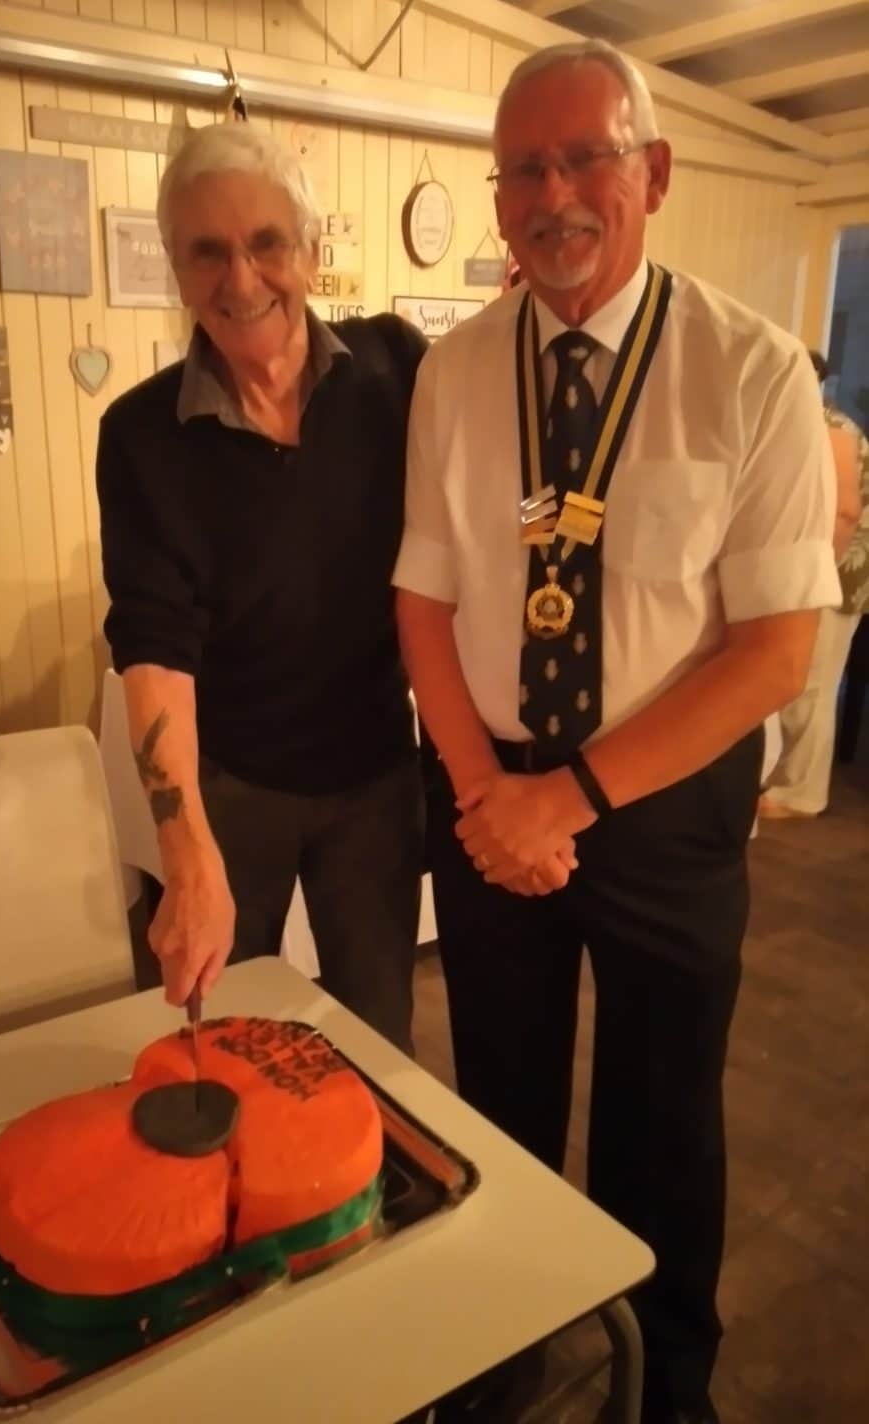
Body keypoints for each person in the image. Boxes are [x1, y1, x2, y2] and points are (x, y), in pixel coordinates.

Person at [393, 39, 839, 1424]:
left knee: (664, 1123)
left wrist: (565, 799)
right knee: (500, 1105)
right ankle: (506, 1355)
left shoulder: (750, 371)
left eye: (586, 155)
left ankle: (672, 1390)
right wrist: (485, 792)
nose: (555, 191)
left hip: (663, 807)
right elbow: (422, 597)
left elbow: (774, 651)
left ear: (654, 170)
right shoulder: (456, 372)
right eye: (525, 166)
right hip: (481, 791)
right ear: (499, 196)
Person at [96, 124, 427, 1051]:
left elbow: (482, 518)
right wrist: (185, 846)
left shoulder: (396, 370)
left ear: (312, 253)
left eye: (265, 243)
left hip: (374, 779)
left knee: (379, 1037)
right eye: (207, 252)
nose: (240, 282)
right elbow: (153, 642)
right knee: (219, 1039)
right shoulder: (139, 435)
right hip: (230, 783)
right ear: (175, 267)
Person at [760, 349, 868, 818]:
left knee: (815, 683)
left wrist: (817, 577)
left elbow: (844, 513)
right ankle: (784, 780)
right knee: (800, 679)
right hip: (813, 568)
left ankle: (802, 793)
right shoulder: (803, 422)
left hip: (835, 571)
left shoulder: (832, 428)